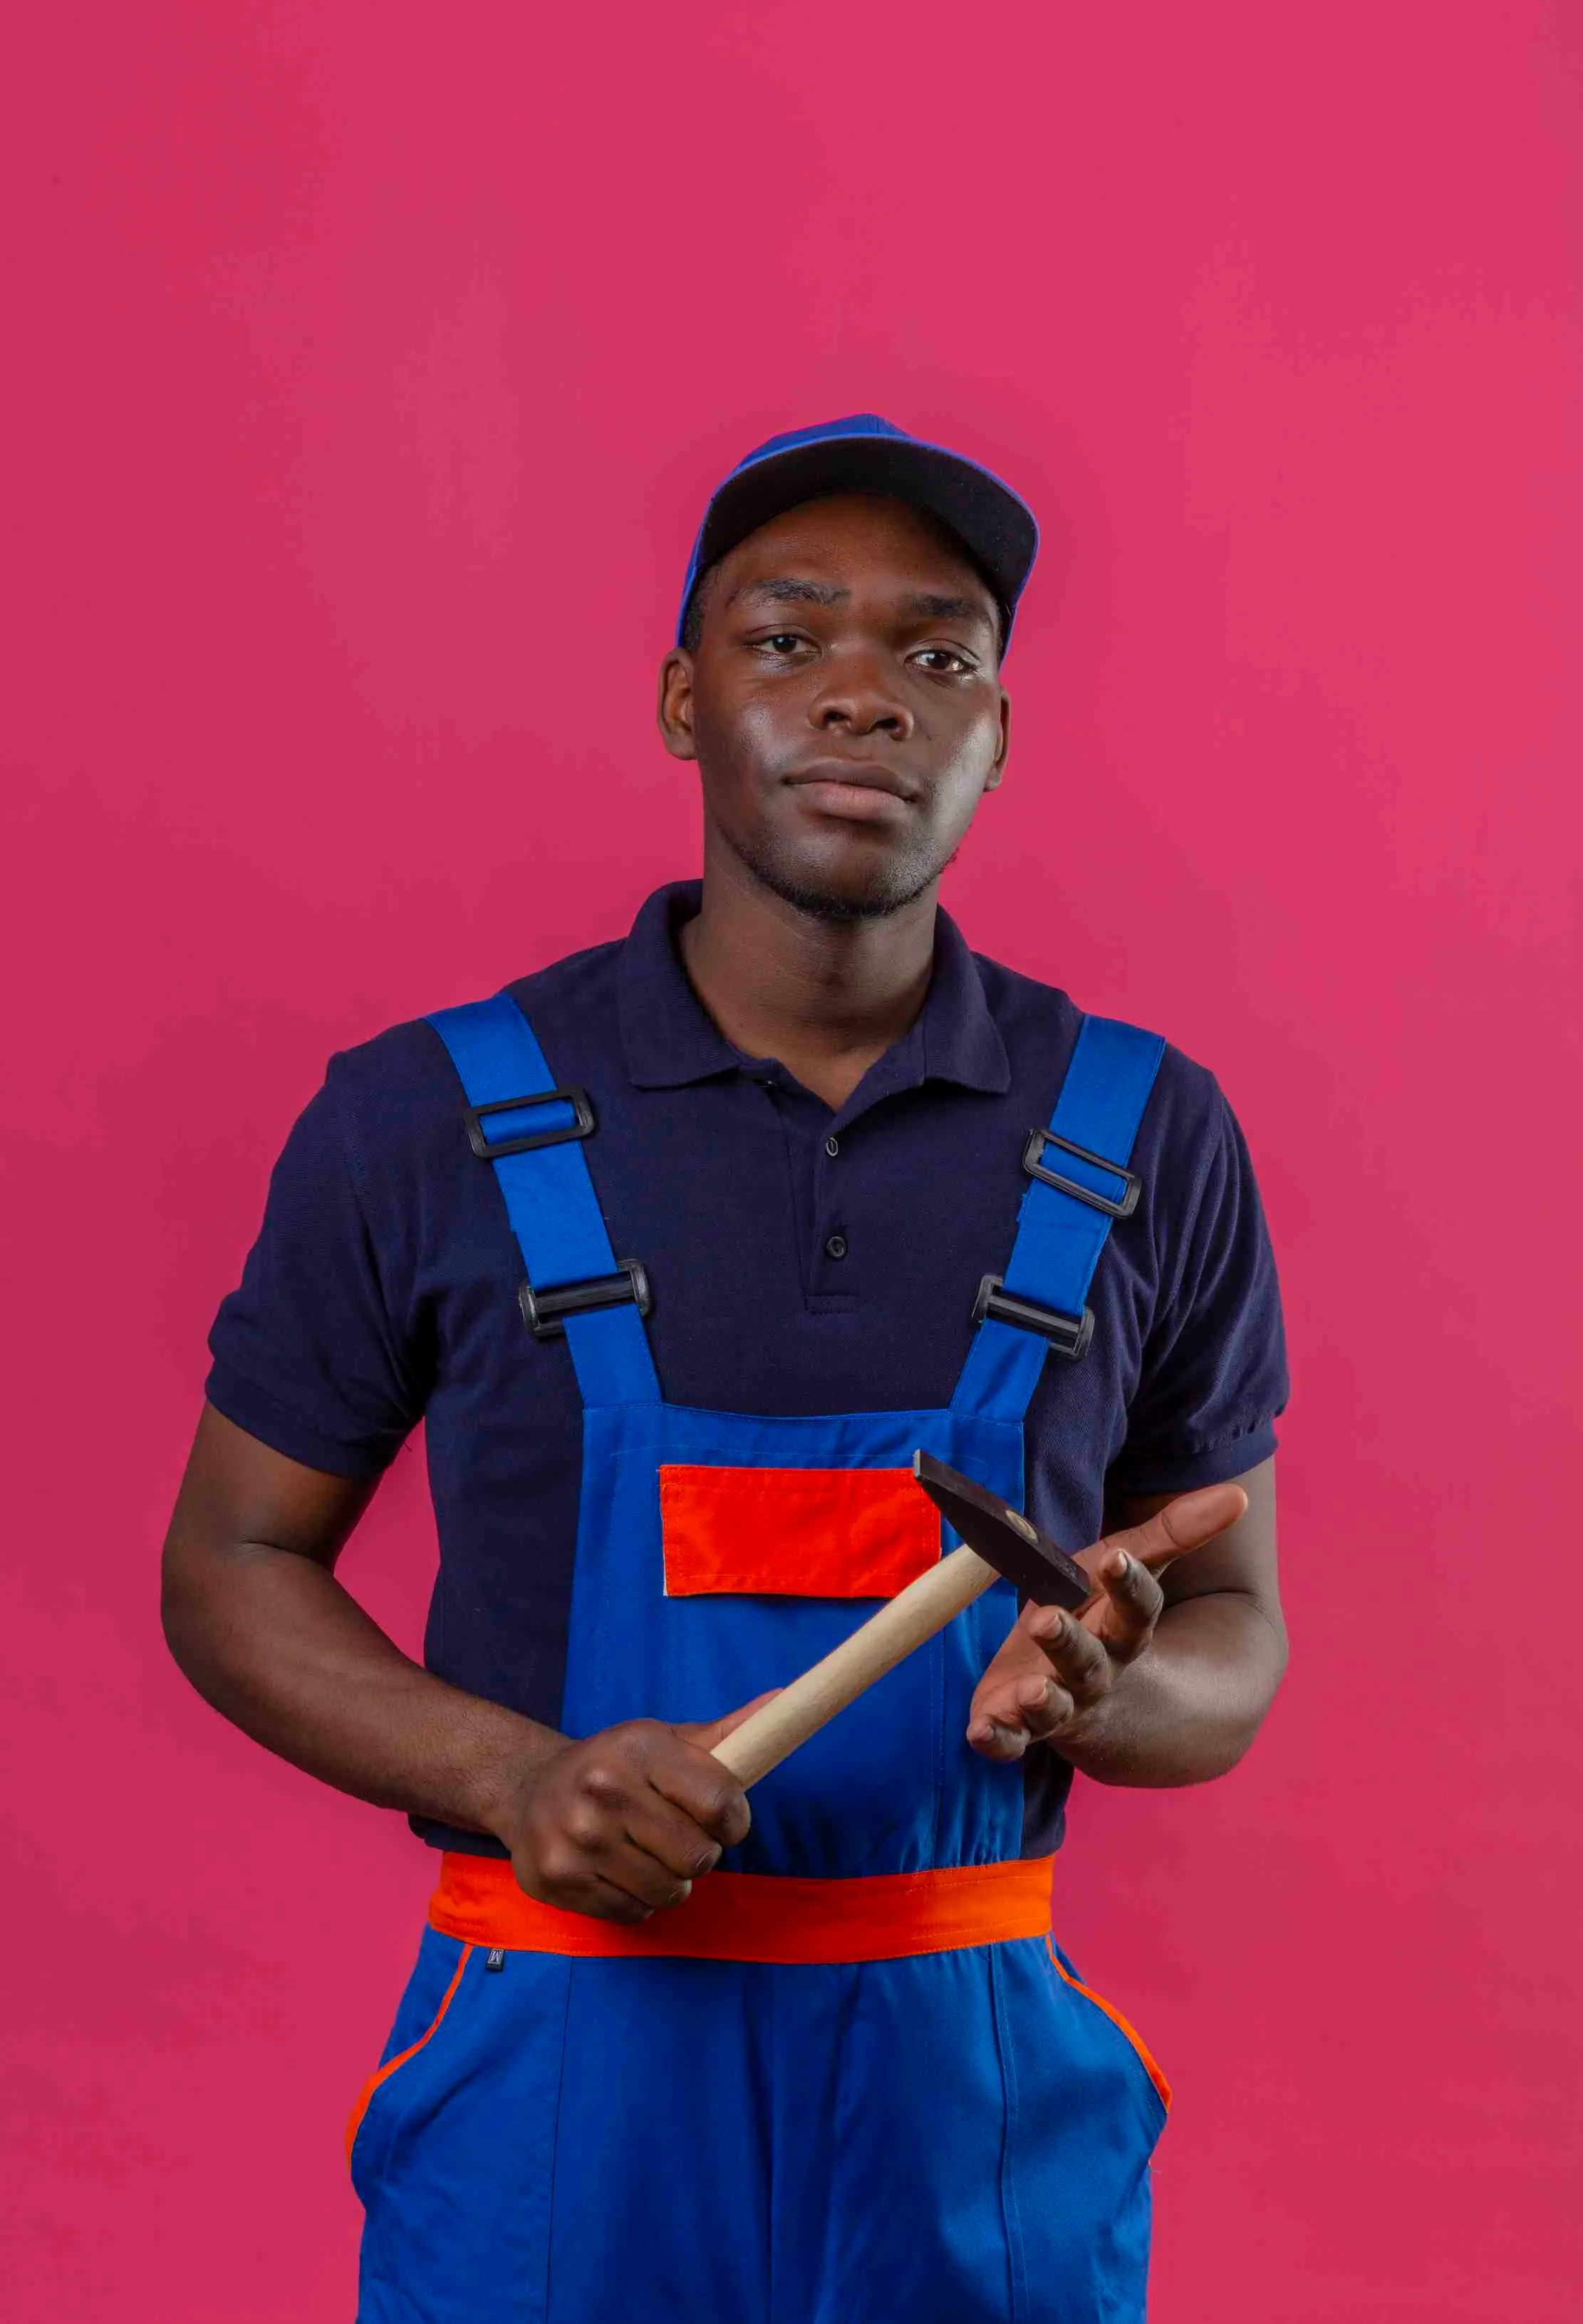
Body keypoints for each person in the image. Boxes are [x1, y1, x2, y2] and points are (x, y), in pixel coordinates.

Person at [162, 414, 1289, 2324]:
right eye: (788, 638)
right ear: (683, 700)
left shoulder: (1142, 1133)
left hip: (971, 2111)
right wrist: (514, 1773)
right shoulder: (427, 1116)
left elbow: (1232, 1630)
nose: (865, 697)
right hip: (557, 2089)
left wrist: (1106, 1686)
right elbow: (228, 1565)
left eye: (938, 656)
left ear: (996, 736)